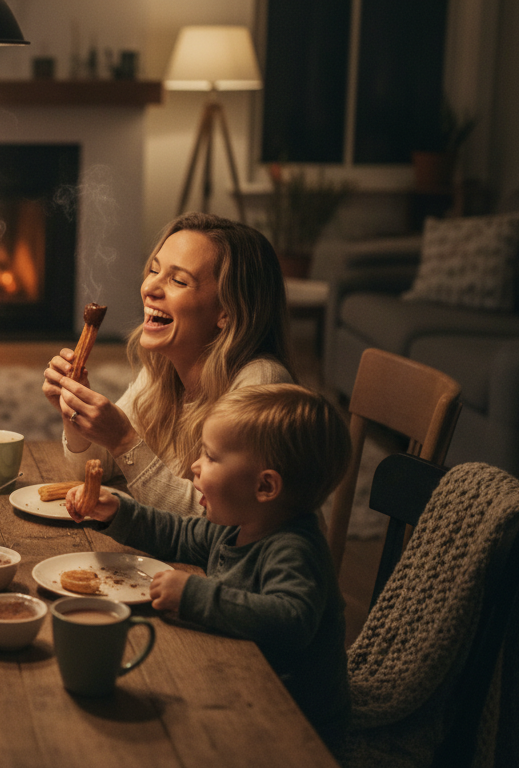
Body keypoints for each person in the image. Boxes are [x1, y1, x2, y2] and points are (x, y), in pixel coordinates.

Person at [65, 383, 350, 752]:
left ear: (265, 486)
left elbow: (292, 620)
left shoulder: (294, 548)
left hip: (295, 722)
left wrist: (193, 593)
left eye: (211, 458)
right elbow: (180, 533)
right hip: (242, 682)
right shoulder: (240, 524)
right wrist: (120, 511)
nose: (195, 467)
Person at [43, 212, 295, 516]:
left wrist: (124, 441)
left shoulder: (261, 384)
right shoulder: (163, 369)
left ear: (226, 311)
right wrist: (75, 412)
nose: (149, 288)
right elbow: (96, 470)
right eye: (153, 270)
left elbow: (217, 519)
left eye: (178, 280)